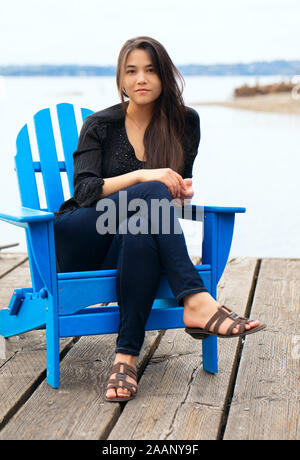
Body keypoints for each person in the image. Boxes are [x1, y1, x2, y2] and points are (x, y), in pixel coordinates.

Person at [54, 36, 265, 403]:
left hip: (129, 235)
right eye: (131, 71)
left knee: (143, 227)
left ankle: (126, 358)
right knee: (151, 196)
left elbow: (174, 186)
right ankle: (197, 298)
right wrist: (144, 176)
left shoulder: (185, 123)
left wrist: (178, 191)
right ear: (121, 79)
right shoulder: (99, 125)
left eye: (150, 70)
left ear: (164, 76)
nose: (141, 78)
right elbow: (84, 192)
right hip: (82, 233)